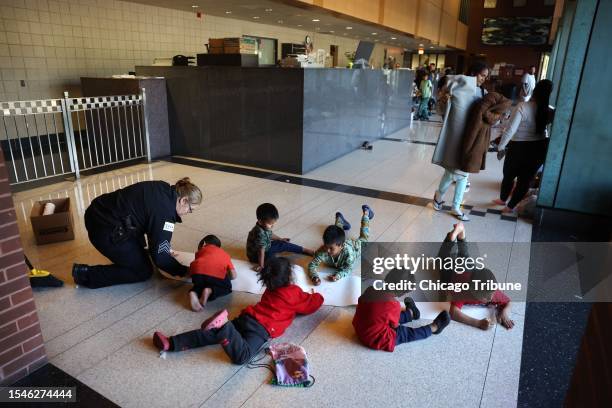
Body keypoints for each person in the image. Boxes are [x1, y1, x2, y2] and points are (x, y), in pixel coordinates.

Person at [153, 257, 324, 365]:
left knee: (209, 334)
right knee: (242, 357)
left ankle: (171, 342)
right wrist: (318, 296)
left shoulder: (269, 290)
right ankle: (225, 329)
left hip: (247, 318)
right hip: (260, 330)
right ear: (288, 277)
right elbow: (311, 305)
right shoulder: (294, 293)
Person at [72, 178, 202, 288]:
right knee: (143, 271)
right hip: (104, 228)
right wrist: (185, 271)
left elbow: (149, 226)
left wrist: (163, 249)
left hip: (100, 211)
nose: (187, 213)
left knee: (144, 254)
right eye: (190, 210)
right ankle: (84, 274)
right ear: (183, 200)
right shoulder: (164, 213)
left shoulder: (164, 189)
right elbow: (160, 256)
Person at [431, 62, 490, 221]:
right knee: (453, 172)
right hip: (456, 136)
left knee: (460, 173)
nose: (484, 79)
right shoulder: (456, 88)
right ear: (473, 72)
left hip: (470, 139)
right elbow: (442, 110)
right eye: (482, 75)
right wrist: (445, 98)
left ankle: (447, 201)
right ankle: (448, 202)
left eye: (486, 76)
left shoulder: (483, 92)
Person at [438, 223, 514, 330]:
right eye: (485, 297)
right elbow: (453, 312)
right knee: (442, 259)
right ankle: (451, 238)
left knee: (464, 256)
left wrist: (504, 312)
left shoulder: (491, 291)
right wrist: (477, 323)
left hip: (469, 269)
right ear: (473, 292)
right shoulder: (464, 292)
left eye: (491, 295)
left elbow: (508, 302)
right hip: (452, 273)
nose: (490, 299)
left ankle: (461, 233)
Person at [352, 270, 451, 352]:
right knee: (405, 333)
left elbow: (363, 304)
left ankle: (411, 313)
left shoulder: (370, 290)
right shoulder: (394, 305)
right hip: (374, 338)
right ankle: (433, 327)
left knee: (385, 315)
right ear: (402, 292)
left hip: (359, 327)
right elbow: (394, 326)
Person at [494, 79, 554, 213]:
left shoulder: (522, 106)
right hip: (539, 147)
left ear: (535, 90)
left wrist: (501, 146)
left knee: (509, 175)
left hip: (518, 146)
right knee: (525, 179)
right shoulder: (550, 110)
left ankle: (503, 199)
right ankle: (510, 206)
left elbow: (510, 129)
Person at [308, 205, 374, 285]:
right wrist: (314, 277)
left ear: (341, 246)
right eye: (326, 246)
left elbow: (347, 268)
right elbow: (312, 265)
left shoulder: (349, 254)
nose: (327, 251)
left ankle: (366, 213)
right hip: (339, 242)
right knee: (336, 232)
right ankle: (339, 219)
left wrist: (338, 275)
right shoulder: (322, 250)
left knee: (364, 238)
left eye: (331, 248)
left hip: (354, 247)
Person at [246, 203, 315, 272]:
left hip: (265, 247)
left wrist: (280, 239)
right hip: (256, 256)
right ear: (260, 221)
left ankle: (304, 250)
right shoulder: (259, 233)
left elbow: (270, 234)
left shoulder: (263, 226)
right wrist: (261, 265)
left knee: (282, 243)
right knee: (275, 262)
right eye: (270, 224)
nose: (272, 226)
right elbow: (261, 251)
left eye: (273, 223)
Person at [188, 234, 236, 312]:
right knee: (227, 287)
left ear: (203, 244)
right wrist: (226, 278)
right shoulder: (225, 254)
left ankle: (193, 292)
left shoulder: (199, 252)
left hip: (197, 272)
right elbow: (234, 276)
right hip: (216, 273)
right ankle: (209, 290)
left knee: (200, 285)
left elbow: (196, 267)